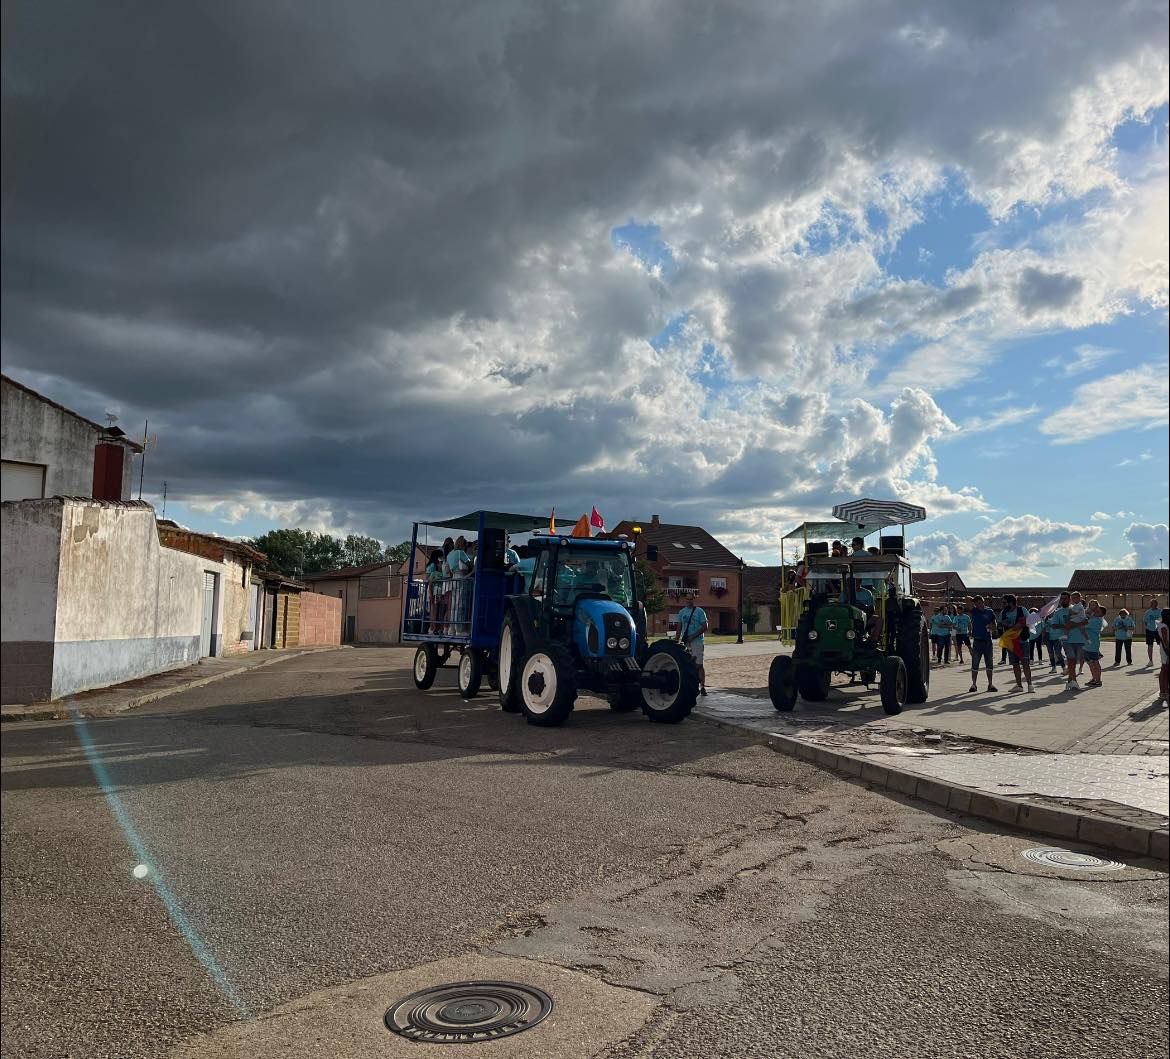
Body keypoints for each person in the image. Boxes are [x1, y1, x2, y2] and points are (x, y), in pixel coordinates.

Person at [1054, 591, 1088, 692]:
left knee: (1075, 661)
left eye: (1065, 599)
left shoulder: (1077, 608)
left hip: (1079, 639)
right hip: (1067, 640)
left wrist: (1074, 625)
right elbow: (1054, 625)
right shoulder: (1058, 612)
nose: (1063, 601)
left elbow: (1085, 621)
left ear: (1070, 599)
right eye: (1061, 599)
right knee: (1071, 660)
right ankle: (1074, 682)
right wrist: (1064, 626)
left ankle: (1069, 681)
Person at [675, 599, 709, 696]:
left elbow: (705, 626)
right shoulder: (682, 612)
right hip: (686, 642)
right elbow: (679, 628)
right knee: (687, 664)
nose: (689, 601)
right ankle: (690, 685)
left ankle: (702, 686)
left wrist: (693, 636)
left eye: (691, 599)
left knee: (698, 664)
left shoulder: (699, 611)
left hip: (697, 642)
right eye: (687, 599)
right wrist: (676, 642)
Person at [999, 594, 1033, 692]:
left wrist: (1020, 624)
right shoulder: (1004, 612)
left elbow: (1030, 620)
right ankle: (1019, 686)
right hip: (1011, 642)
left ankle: (1030, 685)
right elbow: (1000, 623)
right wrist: (1004, 624)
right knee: (1015, 664)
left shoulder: (1022, 610)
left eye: (1004, 602)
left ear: (1011, 602)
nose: (1003, 604)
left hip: (1023, 641)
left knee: (1025, 664)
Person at [968, 595, 998, 693]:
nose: (977, 604)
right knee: (975, 663)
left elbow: (995, 626)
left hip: (987, 641)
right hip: (977, 640)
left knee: (989, 663)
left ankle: (990, 684)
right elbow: (966, 600)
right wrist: (971, 599)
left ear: (983, 602)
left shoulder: (990, 611)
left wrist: (991, 627)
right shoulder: (974, 611)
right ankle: (974, 684)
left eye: (979, 602)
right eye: (976, 603)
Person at [445, 536, 472, 633]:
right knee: (460, 604)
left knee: (453, 605)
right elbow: (470, 564)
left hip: (454, 579)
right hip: (461, 577)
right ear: (463, 544)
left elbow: (448, 569)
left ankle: (451, 629)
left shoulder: (449, 555)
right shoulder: (461, 553)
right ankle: (459, 629)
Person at [1082, 602, 1106, 688]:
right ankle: (1094, 678)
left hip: (1092, 644)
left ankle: (1098, 680)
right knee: (1090, 662)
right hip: (1087, 644)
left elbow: (1084, 625)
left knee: (1095, 662)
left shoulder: (1097, 620)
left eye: (1098, 611)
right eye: (1096, 610)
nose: (1096, 612)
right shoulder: (1093, 618)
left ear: (1102, 614)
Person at [425, 548, 445, 633]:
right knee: (434, 609)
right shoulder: (433, 565)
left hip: (434, 590)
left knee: (434, 609)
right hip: (433, 589)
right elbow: (429, 579)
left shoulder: (430, 564)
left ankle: (433, 627)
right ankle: (432, 627)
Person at [1143, 597, 1163, 667]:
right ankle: (1150, 661)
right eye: (1152, 603)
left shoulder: (1161, 611)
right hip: (1149, 631)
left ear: (1157, 604)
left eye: (1154, 603)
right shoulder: (1148, 612)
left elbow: (1162, 621)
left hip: (1158, 631)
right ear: (1150, 604)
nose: (1153, 605)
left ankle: (1163, 660)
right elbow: (1145, 621)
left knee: (1161, 646)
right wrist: (1149, 627)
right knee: (1150, 645)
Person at [1157, 608, 1170, 709]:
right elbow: (1166, 641)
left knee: (1165, 670)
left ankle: (1164, 691)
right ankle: (1164, 691)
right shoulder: (1163, 626)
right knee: (1165, 670)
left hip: (1165, 649)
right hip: (1166, 650)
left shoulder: (1164, 625)